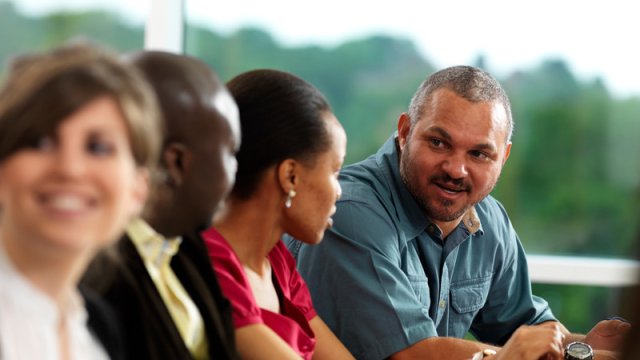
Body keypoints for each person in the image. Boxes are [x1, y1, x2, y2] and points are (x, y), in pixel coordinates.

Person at [286, 65, 629, 359]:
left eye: (479, 154)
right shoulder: (349, 211)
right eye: (439, 143)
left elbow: (528, 331)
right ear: (405, 133)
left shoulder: (489, 219)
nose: (456, 169)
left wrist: (586, 345)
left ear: (503, 159)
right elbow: (412, 354)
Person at [0, 42, 159, 360]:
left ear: (137, 190)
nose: (69, 169)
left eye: (99, 147)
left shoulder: (100, 324)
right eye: (40, 142)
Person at [82, 51, 240, 359]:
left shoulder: (190, 245)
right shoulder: (94, 273)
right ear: (177, 162)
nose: (236, 170)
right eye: (231, 153)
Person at [201, 69, 354, 360]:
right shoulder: (210, 264)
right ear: (291, 176)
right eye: (334, 171)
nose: (339, 191)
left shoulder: (277, 261)